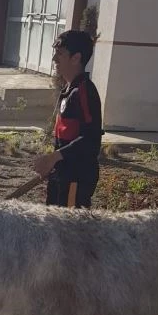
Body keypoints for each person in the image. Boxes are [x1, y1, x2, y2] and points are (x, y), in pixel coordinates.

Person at [32, 29, 103, 208]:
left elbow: (91, 139)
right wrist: (54, 163)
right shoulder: (68, 91)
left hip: (76, 178)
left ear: (76, 58)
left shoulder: (84, 91)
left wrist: (54, 158)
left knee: (69, 232)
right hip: (62, 175)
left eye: (60, 54)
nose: (55, 59)